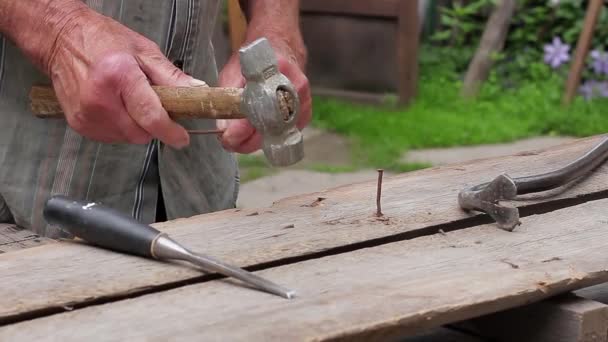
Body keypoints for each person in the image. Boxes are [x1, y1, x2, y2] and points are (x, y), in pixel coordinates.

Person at [0, 0, 312, 238]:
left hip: (196, 194)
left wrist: (277, 30)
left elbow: (276, 21)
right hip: (22, 209)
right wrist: (59, 30)